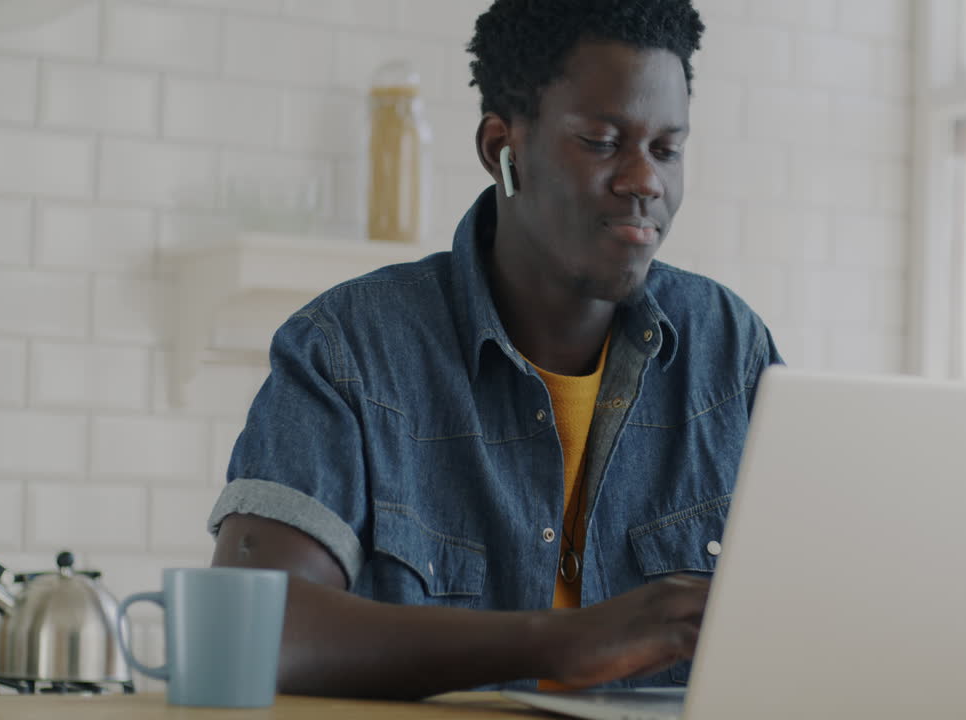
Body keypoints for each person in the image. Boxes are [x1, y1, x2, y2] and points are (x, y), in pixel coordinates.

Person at [207, 0, 781, 700]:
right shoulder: (349, 348)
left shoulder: (731, 350)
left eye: (667, 149)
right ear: (501, 149)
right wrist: (567, 643)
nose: (645, 181)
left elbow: (821, 601)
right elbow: (253, 629)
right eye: (603, 141)